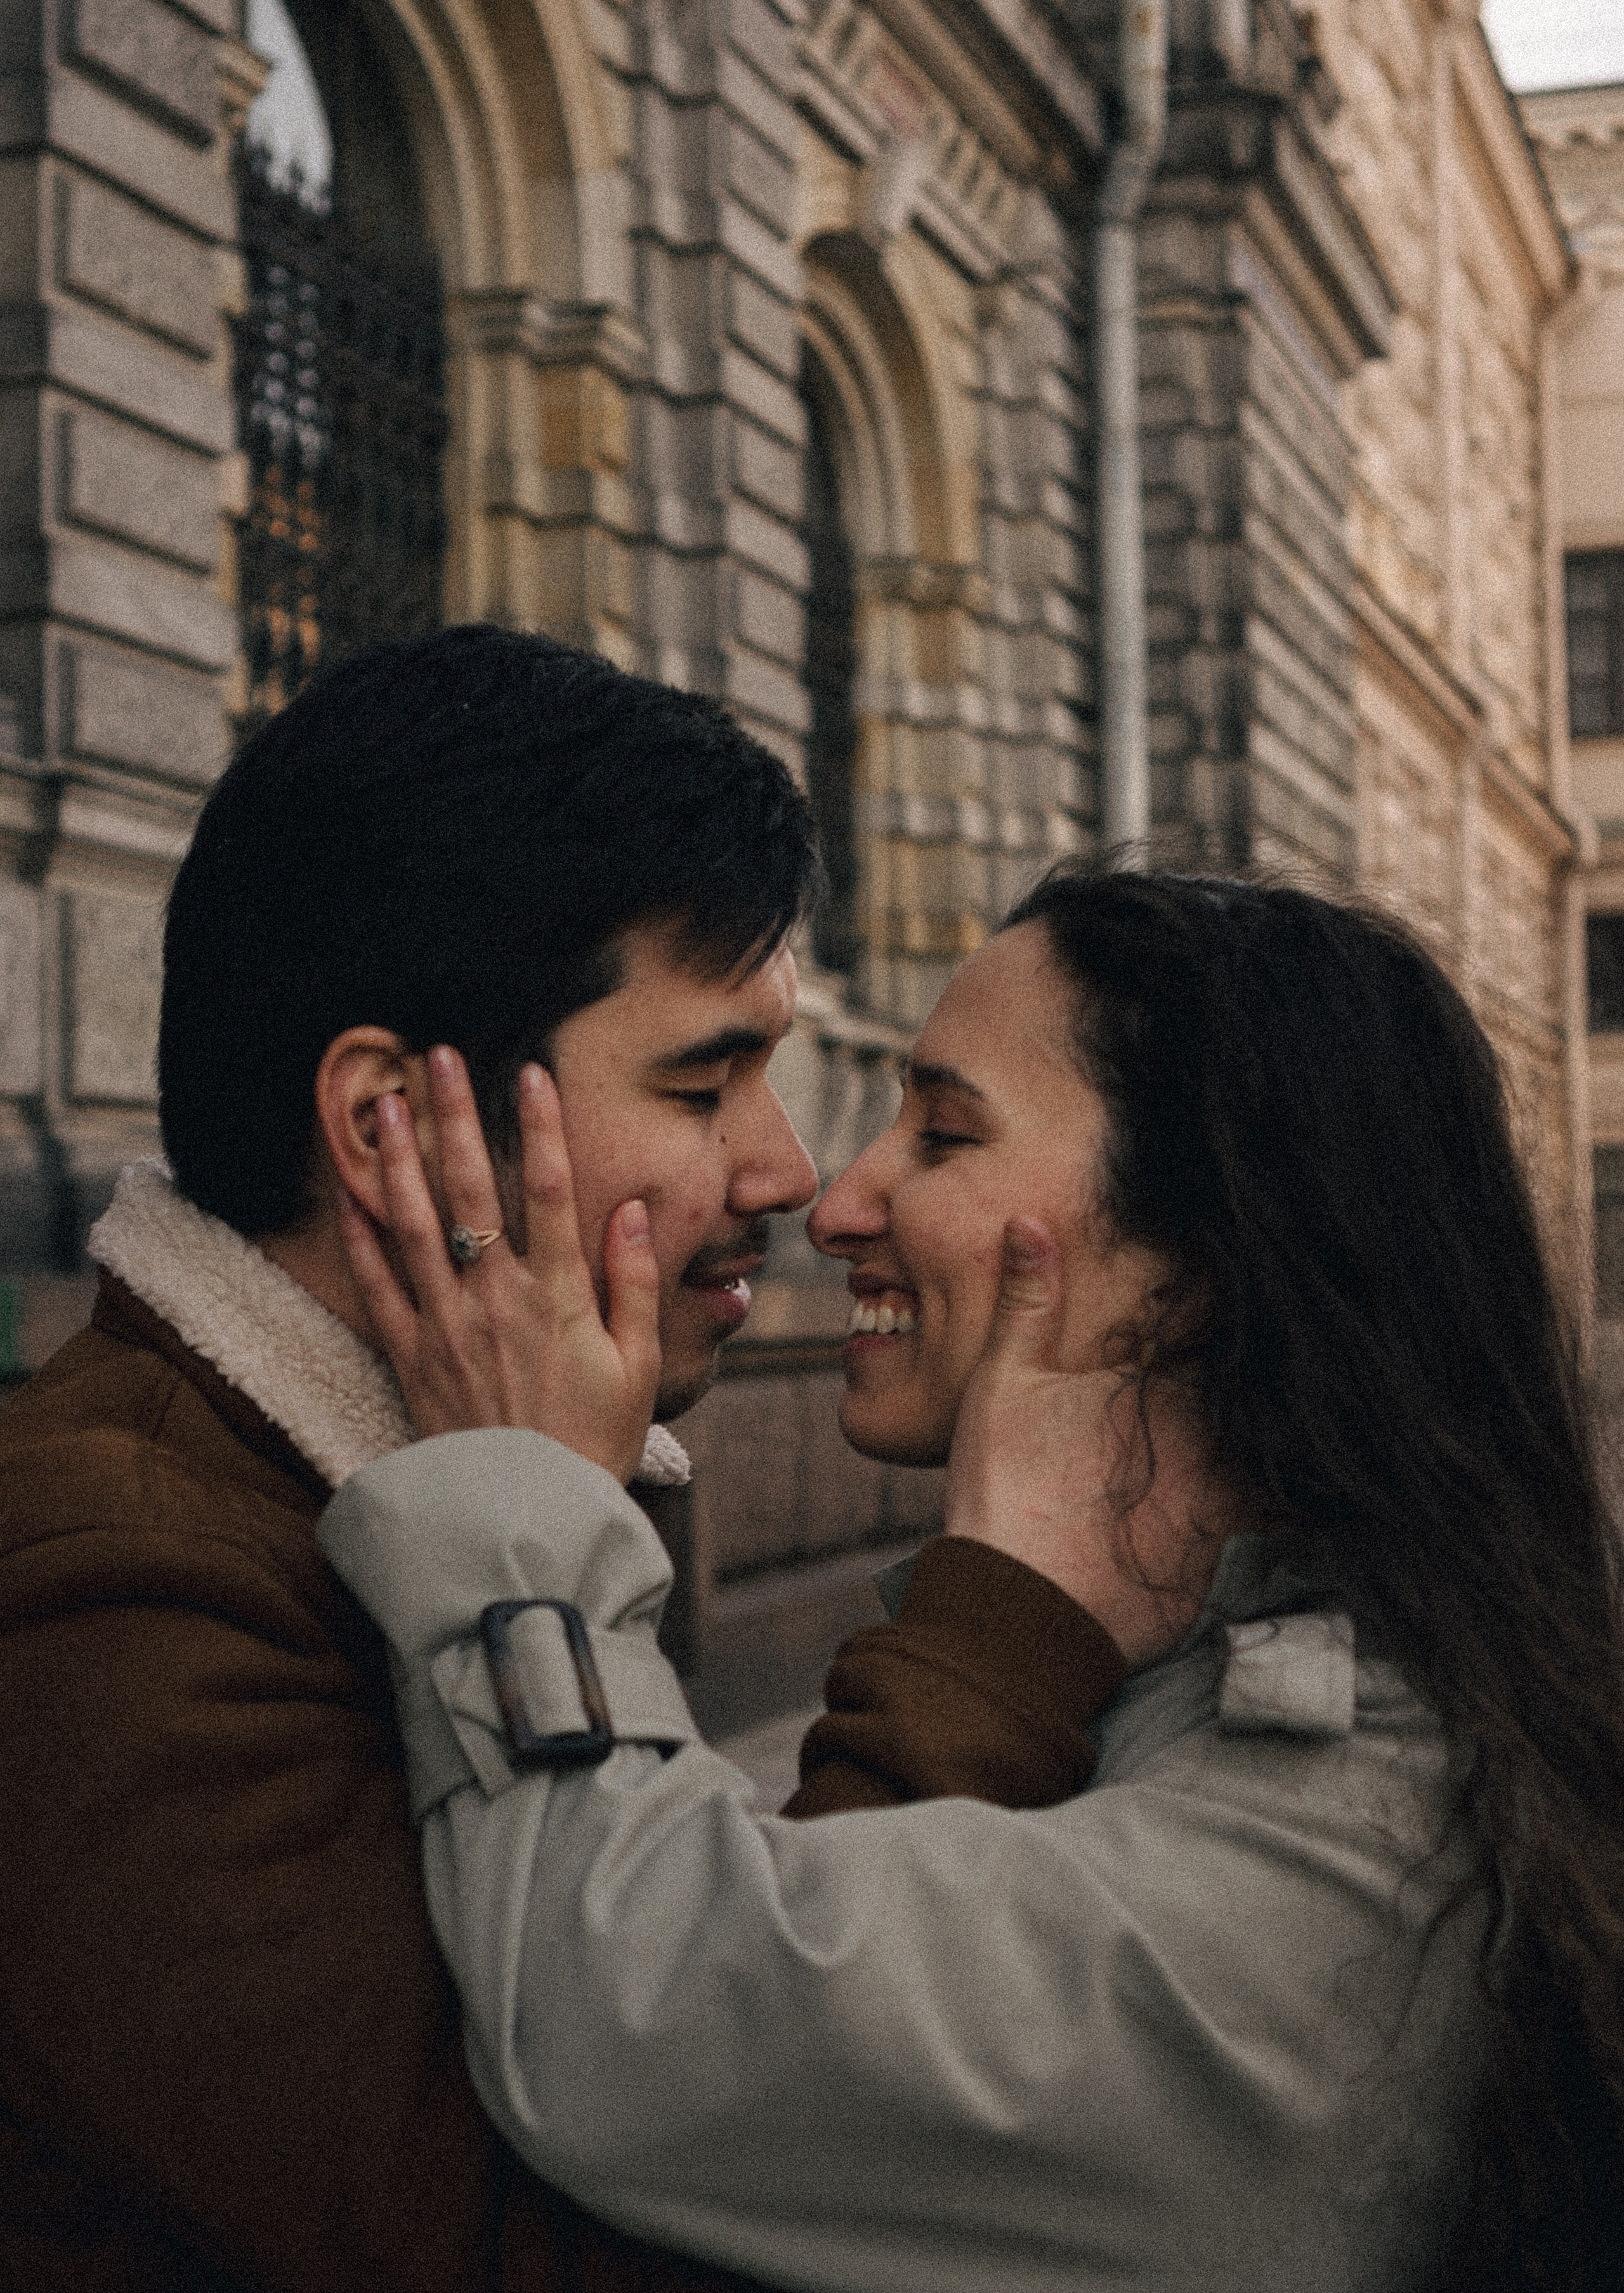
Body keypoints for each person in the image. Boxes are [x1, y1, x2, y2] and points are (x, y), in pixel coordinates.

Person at [321, 866, 1624, 2293]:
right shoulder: (1271, 1675)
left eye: (939, 1133)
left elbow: (644, 2022)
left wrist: (524, 1492)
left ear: (1190, 1265)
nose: (834, 1200)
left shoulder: (1354, 1846)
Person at [0, 625, 1100, 2293]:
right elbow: (671, 2221)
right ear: (386, 1128)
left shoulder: (451, 1472)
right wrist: (996, 1616)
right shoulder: (107, 1593)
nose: (790, 1169)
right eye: (705, 1079)